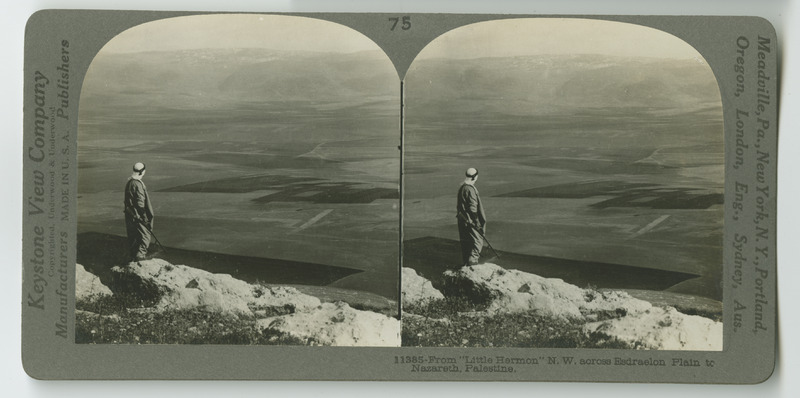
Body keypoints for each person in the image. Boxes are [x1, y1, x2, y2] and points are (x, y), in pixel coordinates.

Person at [124, 162, 154, 262]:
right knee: (145, 235)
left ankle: (133, 257)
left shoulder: (130, 182)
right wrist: (144, 217)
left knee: (133, 236)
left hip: (130, 214)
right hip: (137, 215)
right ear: (142, 172)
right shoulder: (138, 184)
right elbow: (140, 204)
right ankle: (140, 256)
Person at [456, 167, 486, 266]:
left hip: (462, 220)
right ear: (474, 177)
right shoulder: (470, 189)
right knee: (478, 240)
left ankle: (466, 263)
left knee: (466, 242)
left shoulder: (463, 187)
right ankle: (472, 262)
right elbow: (473, 209)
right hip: (470, 220)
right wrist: (477, 222)